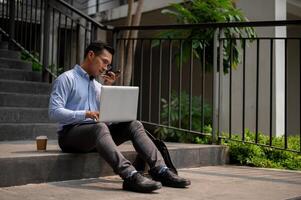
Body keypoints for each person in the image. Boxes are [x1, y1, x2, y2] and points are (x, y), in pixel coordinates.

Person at [48, 41, 191, 193]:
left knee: (134, 124)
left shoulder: (98, 86)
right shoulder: (66, 78)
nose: (105, 67)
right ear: (91, 55)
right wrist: (85, 114)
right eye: (104, 62)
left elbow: (106, 117)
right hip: (70, 136)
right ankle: (130, 175)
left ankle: (161, 170)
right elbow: (54, 112)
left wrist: (109, 92)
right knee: (100, 127)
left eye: (108, 64)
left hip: (97, 135)